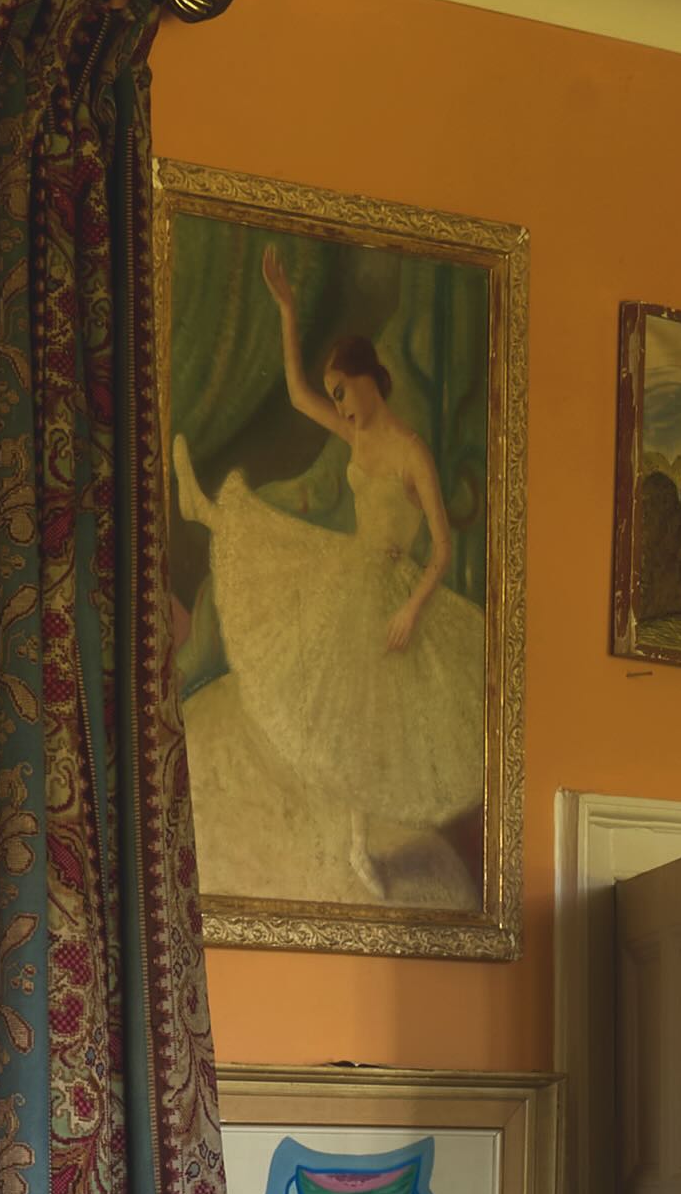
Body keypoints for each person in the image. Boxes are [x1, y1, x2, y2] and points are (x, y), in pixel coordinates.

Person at [166, 251, 488, 902]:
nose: (339, 402)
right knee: (329, 682)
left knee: (372, 722)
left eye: (344, 388)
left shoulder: (409, 453)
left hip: (392, 590)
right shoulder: (356, 438)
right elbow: (294, 392)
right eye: (335, 393)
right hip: (352, 575)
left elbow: (444, 551)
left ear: (372, 379)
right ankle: (207, 510)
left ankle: (357, 844)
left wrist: (413, 609)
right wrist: (286, 308)